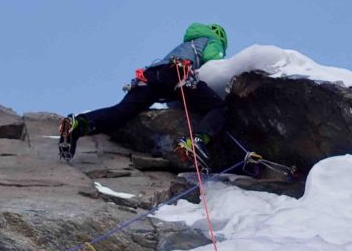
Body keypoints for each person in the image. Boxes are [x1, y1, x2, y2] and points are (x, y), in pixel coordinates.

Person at [59, 23, 228, 164]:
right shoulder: (213, 40)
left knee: (122, 112)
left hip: (149, 76)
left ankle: (79, 124)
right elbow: (213, 60)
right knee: (219, 107)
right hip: (177, 74)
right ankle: (195, 141)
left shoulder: (186, 44)